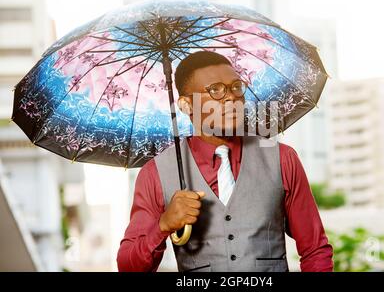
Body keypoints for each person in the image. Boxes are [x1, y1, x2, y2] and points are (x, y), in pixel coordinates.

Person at [116, 51, 333, 272]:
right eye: (215, 90)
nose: (231, 97)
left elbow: (315, 250)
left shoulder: (282, 158)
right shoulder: (155, 174)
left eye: (236, 87)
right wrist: (163, 225)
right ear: (185, 105)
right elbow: (128, 267)